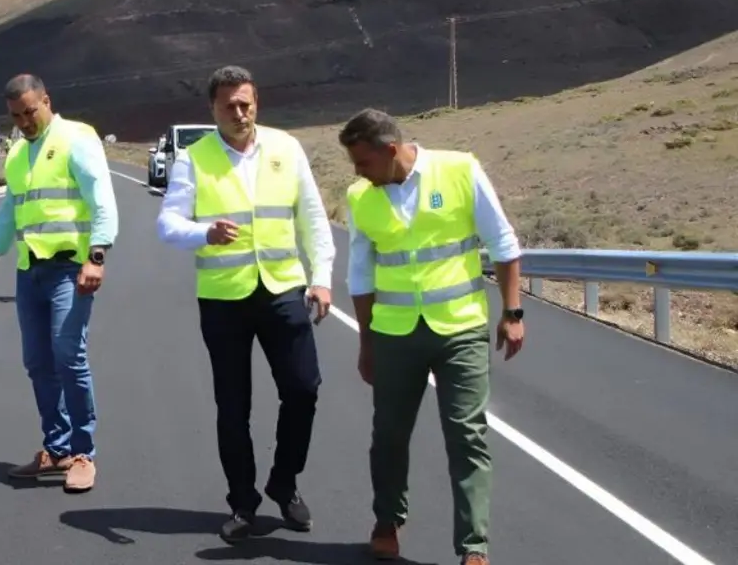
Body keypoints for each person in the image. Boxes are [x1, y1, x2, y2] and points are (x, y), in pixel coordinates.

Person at [156, 65, 336, 544]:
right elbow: (168, 224)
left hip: (281, 289)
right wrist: (204, 232)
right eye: (230, 105)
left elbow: (313, 220)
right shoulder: (194, 160)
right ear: (212, 109)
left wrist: (321, 279)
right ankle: (243, 501)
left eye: (247, 103)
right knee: (233, 407)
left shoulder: (286, 148)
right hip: (224, 298)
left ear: (257, 102)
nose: (240, 113)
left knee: (303, 389)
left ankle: (284, 481)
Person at [338, 108, 526, 565]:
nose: (357, 173)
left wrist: (512, 311)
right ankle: (388, 520)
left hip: (459, 328)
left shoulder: (460, 169)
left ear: (390, 150)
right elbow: (360, 276)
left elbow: (502, 241)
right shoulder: (361, 197)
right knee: (389, 435)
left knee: (467, 435)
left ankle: (473, 547)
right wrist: (366, 344)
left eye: (362, 162)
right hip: (395, 335)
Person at [0, 73, 119, 494]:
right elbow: (9, 213)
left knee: (69, 355)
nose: (25, 122)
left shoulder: (76, 138)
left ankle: (83, 452)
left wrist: (97, 256)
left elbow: (101, 198)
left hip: (71, 269)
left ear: (47, 101)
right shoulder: (17, 153)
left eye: (30, 112)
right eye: (16, 116)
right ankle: (56, 449)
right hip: (30, 271)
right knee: (38, 362)